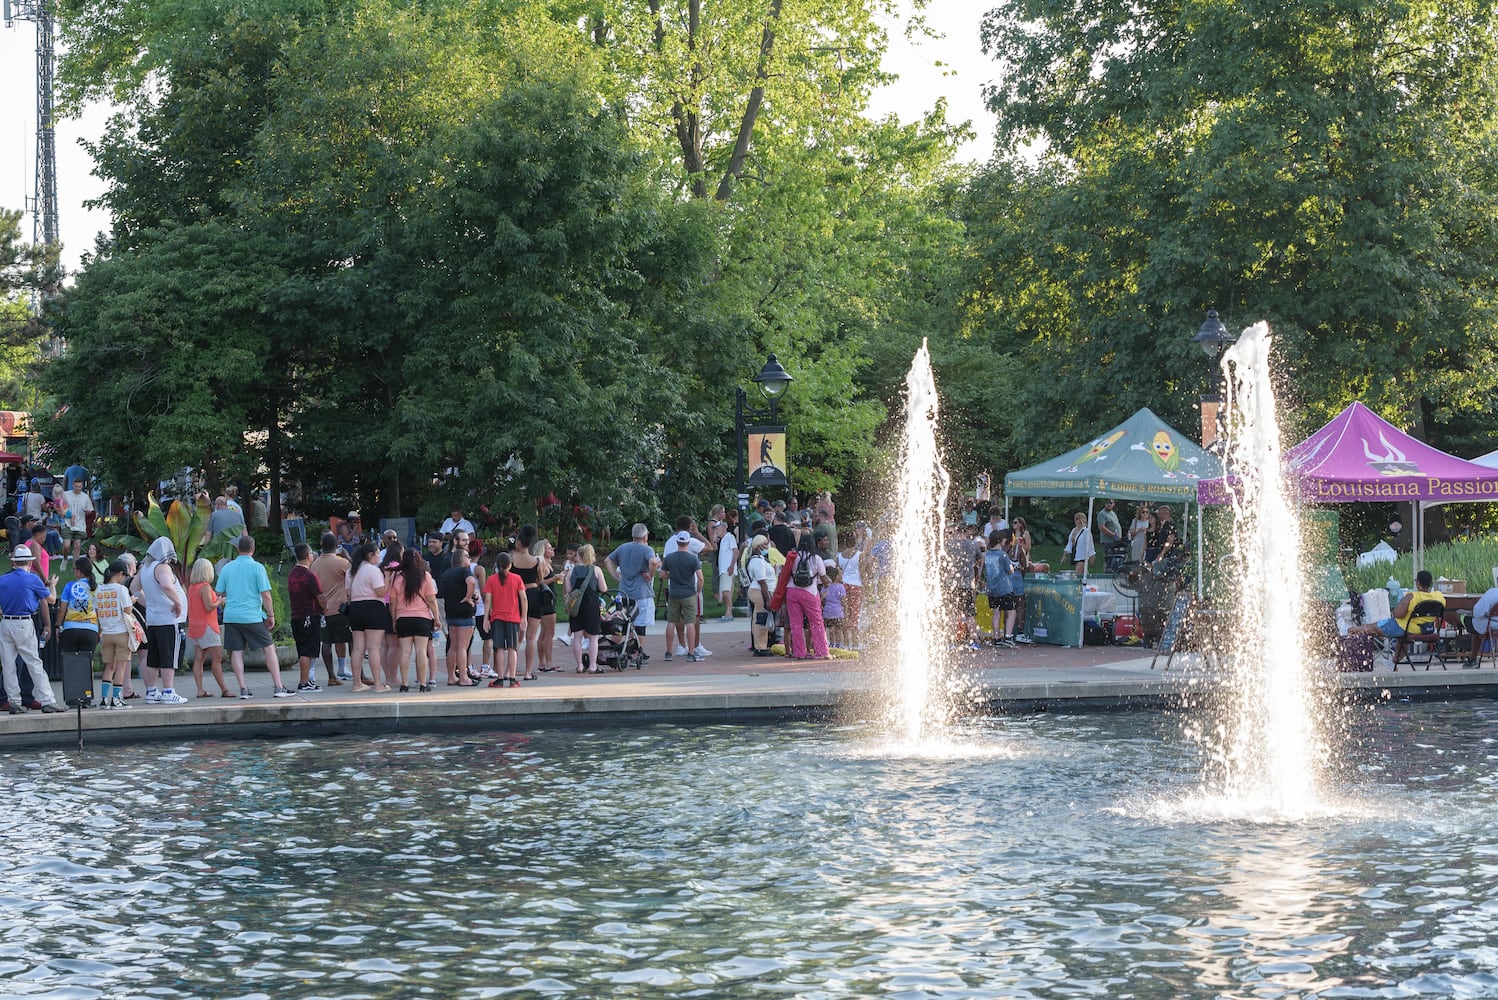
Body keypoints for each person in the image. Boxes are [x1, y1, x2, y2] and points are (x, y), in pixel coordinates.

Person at [216, 534, 293, 698]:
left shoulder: (227, 568)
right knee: (269, 648)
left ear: (238, 549)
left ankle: (243, 688)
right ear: (253, 549)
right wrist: (271, 615)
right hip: (252, 616)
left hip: (231, 616)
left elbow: (219, 592)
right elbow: (265, 594)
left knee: (236, 652)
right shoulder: (257, 567)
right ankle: (278, 687)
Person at [0, 546, 62, 714]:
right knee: (34, 663)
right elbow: (51, 599)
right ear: (29, 562)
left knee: (8, 665)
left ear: (14, 563)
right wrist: (53, 585)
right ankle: (47, 700)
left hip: (5, 623)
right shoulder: (32, 579)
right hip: (24, 623)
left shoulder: (2, 580)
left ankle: (14, 702)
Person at [140, 536, 190, 704]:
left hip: (154, 620)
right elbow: (166, 585)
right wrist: (178, 603)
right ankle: (168, 691)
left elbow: (133, 589)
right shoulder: (162, 567)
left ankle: (152, 691)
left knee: (153, 658)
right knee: (169, 657)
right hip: (169, 620)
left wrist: (150, 604)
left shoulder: (145, 568)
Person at [388, 548, 438, 692]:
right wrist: (437, 618)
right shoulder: (425, 576)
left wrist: (394, 620)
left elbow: (393, 602)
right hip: (422, 618)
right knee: (421, 651)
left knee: (405, 651)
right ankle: (422, 683)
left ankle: (404, 683)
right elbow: (431, 600)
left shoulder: (396, 577)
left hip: (403, 618)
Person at [1350, 570, 1446, 644]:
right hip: (1427, 629)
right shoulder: (1439, 597)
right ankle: (1395, 662)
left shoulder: (1412, 596)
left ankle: (1350, 630)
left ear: (1418, 583)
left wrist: (1395, 611)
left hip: (1405, 628)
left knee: (1374, 626)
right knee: (1399, 636)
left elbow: (1398, 614)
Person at [185, 558, 231, 698]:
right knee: (217, 658)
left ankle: (200, 689)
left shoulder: (192, 587)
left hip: (196, 627)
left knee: (199, 658)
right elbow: (209, 606)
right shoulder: (205, 587)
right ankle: (224, 689)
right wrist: (219, 601)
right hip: (208, 627)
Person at [311, 532, 352, 682]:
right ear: (337, 545)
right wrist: (347, 555)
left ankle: (331, 675)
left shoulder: (314, 564)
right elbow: (353, 573)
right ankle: (343, 668)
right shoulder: (341, 562)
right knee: (345, 639)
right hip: (340, 608)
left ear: (321, 545)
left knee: (326, 641)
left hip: (323, 609)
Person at [605, 523, 659, 636]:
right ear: (645, 536)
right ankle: (635, 651)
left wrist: (616, 576)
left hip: (624, 593)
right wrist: (651, 574)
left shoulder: (623, 547)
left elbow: (608, 561)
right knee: (640, 626)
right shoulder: (647, 549)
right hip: (642, 593)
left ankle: (622, 648)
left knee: (623, 623)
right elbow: (653, 562)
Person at [94, 559, 134, 709]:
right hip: (121, 632)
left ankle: (104, 699)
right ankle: (116, 699)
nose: (124, 579)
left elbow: (97, 613)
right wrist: (132, 601)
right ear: (119, 574)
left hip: (106, 634)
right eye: (124, 576)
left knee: (109, 667)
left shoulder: (99, 590)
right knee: (121, 667)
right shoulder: (121, 590)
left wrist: (100, 631)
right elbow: (127, 610)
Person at [287, 542, 326, 692]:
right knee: (307, 651)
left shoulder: (292, 573)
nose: (313, 555)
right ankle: (304, 682)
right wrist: (324, 607)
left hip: (296, 615)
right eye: (311, 553)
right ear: (307, 556)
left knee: (303, 649)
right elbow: (320, 597)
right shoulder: (310, 575)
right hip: (309, 616)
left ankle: (306, 681)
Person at [484, 551, 527, 687]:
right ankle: (513, 678)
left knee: (500, 648)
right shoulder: (517, 578)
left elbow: (487, 601)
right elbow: (524, 598)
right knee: (512, 648)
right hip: (513, 617)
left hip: (497, 617)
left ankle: (500, 678)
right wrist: (524, 617)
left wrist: (486, 618)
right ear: (510, 565)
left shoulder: (491, 579)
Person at [784, 534, 830, 659]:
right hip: (810, 592)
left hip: (792, 591)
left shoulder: (793, 557)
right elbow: (823, 578)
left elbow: (785, 573)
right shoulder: (816, 558)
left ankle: (799, 652)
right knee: (816, 622)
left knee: (796, 623)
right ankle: (822, 651)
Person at [661, 531, 704, 663]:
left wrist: (671, 575)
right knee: (690, 622)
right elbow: (700, 578)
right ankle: (691, 652)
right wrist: (698, 590)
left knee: (671, 622)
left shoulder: (669, 558)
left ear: (677, 542)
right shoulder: (693, 559)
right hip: (689, 593)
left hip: (674, 593)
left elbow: (662, 575)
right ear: (688, 542)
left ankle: (668, 651)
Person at [439, 546, 478, 686]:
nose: (469, 558)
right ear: (462, 559)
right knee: (462, 646)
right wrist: (468, 598)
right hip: (464, 612)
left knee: (453, 645)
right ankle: (463, 677)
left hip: (451, 611)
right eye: (467, 556)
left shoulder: (447, 574)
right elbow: (472, 582)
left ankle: (451, 676)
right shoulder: (464, 571)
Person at [565, 544, 606, 673]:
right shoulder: (596, 570)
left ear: (579, 556)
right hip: (591, 605)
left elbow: (569, 590)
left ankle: (580, 665)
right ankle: (593, 666)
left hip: (576, 606)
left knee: (577, 635)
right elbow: (604, 588)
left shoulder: (571, 571)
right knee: (593, 637)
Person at [510, 526, 544, 682]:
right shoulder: (537, 561)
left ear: (518, 542)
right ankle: (528, 672)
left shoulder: (511, 559)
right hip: (534, 594)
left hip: (517, 596)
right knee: (531, 637)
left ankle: (511, 668)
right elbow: (540, 580)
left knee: (516, 635)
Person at [742, 535, 776, 656]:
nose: (768, 546)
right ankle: (760, 647)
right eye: (765, 544)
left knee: (760, 619)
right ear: (759, 546)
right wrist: (768, 599)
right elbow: (762, 581)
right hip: (760, 592)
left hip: (760, 591)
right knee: (761, 620)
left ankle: (761, 645)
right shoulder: (757, 561)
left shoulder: (760, 559)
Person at [530, 538, 560, 673]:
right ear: (543, 550)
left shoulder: (547, 563)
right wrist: (554, 578)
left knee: (543, 633)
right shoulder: (542, 563)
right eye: (549, 548)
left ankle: (542, 662)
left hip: (546, 600)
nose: (552, 550)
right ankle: (548, 662)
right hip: (546, 601)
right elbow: (539, 582)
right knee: (549, 633)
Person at [985, 529, 1019, 647]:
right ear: (999, 540)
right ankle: (1008, 636)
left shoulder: (987, 554)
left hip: (991, 589)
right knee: (1011, 611)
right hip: (1004, 588)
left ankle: (996, 638)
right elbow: (1010, 570)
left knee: (996, 613)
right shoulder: (1002, 555)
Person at [1462, 586, 1498, 667]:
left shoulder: (1492, 593)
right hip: (1491, 625)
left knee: (1468, 619)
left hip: (1490, 625)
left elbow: (1478, 613)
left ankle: (1473, 659)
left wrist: (1478, 604)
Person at [471, 563, 495, 680]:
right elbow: (483, 591)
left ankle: (469, 666)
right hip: (480, 609)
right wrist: (489, 606)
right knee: (488, 638)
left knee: (467, 641)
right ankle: (485, 666)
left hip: (469, 608)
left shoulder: (462, 567)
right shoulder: (479, 569)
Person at [60, 478, 93, 558]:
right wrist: (67, 514)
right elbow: (60, 507)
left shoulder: (85, 497)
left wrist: (87, 512)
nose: (78, 488)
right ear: (73, 485)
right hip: (67, 523)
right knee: (67, 545)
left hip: (80, 524)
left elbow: (90, 510)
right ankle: (65, 558)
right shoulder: (65, 495)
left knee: (77, 545)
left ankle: (75, 566)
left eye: (79, 486)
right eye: (76, 486)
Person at [715, 521, 738, 623]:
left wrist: (732, 566)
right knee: (726, 591)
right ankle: (729, 613)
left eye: (718, 529)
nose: (716, 531)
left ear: (724, 528)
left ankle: (728, 613)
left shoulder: (729, 537)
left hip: (727, 569)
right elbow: (714, 540)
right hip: (724, 569)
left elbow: (735, 551)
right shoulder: (723, 539)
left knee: (726, 592)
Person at [822, 564, 847, 649]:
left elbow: (823, 598)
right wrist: (846, 609)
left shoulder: (826, 587)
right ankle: (838, 645)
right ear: (836, 577)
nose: (841, 576)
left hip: (827, 611)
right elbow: (843, 600)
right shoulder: (841, 587)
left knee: (831, 629)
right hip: (838, 611)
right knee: (838, 629)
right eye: (840, 575)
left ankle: (832, 644)